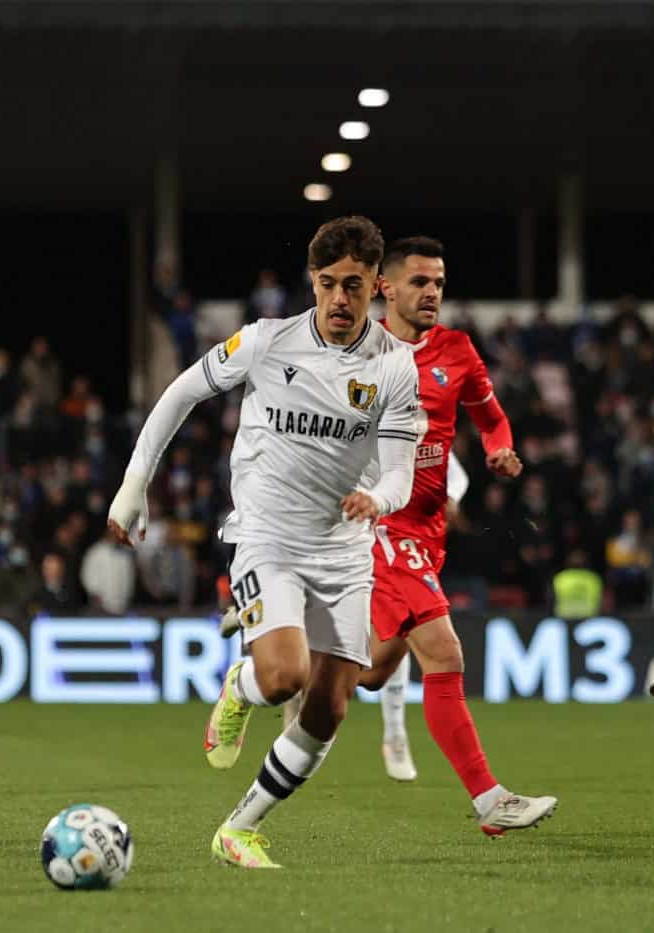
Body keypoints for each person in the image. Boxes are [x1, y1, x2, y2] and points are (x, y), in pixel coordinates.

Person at [106, 216, 422, 869]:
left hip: (344, 547)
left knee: (331, 708)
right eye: (329, 284)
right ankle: (241, 686)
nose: (340, 299)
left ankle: (239, 829)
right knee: (284, 678)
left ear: (377, 289)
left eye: (354, 286)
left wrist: (382, 500)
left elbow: (397, 470)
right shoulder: (267, 342)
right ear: (312, 281)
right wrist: (134, 487)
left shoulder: (395, 367)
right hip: (267, 534)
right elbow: (179, 394)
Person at [346, 236, 556, 832]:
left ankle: (259, 665)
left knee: (372, 671)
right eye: (420, 282)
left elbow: (490, 417)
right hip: (383, 521)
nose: (432, 292)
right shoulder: (357, 353)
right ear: (386, 288)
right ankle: (492, 801)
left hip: (430, 528)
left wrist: (500, 450)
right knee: (445, 651)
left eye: (439, 282)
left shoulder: (458, 350)